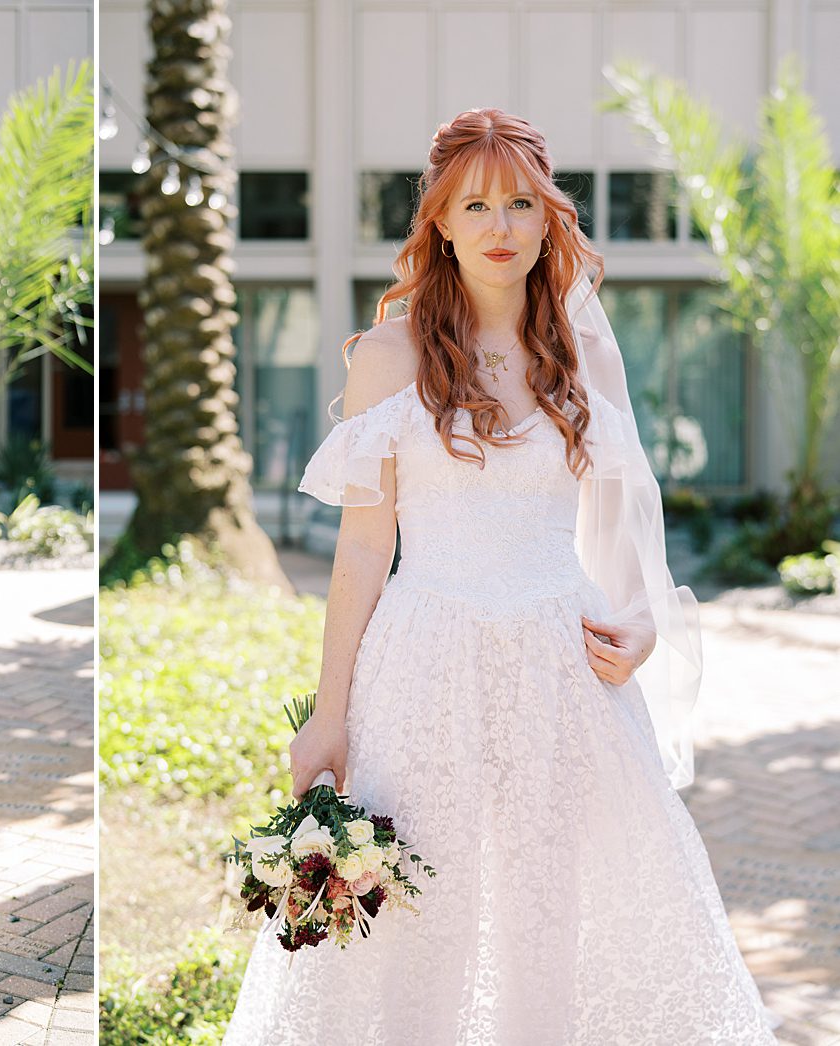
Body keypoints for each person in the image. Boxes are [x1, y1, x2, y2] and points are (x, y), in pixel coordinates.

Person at [221, 110, 776, 1044]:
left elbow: (621, 515)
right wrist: (328, 712)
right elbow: (363, 547)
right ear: (438, 219)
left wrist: (641, 622)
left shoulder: (586, 353)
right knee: (414, 910)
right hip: (423, 659)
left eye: (520, 202)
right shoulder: (389, 360)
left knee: (549, 905)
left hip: (563, 663)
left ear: (548, 215)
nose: (500, 225)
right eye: (474, 204)